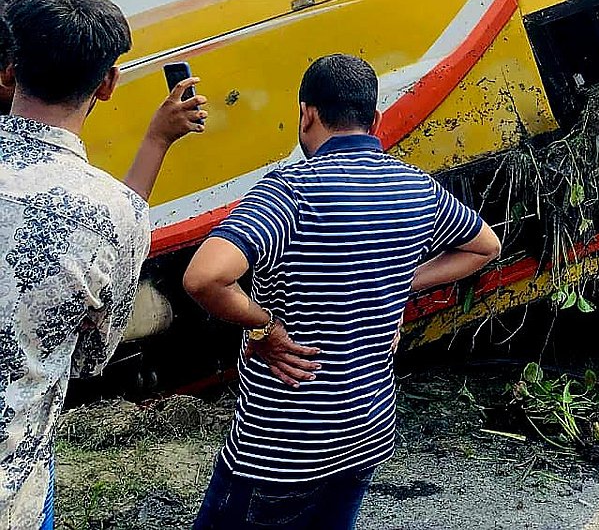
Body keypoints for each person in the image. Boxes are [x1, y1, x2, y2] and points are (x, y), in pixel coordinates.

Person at [184, 54, 502, 530]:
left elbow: (204, 277)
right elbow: (486, 247)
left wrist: (264, 327)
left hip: (281, 447)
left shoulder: (291, 191)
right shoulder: (417, 187)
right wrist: (400, 281)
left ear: (306, 114)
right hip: (365, 432)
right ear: (373, 120)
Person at [0, 0, 205, 530]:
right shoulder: (112, 214)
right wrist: (156, 142)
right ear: (109, 83)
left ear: (9, 70)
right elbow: (91, 355)